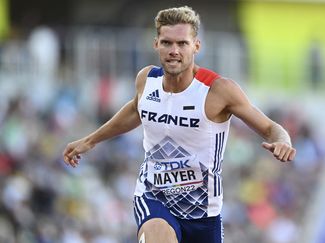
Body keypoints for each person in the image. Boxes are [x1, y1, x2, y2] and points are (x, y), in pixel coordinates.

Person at [63, 6, 296, 243]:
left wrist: (283, 140)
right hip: (153, 196)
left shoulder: (218, 91)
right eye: (167, 43)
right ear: (156, 44)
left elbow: (269, 128)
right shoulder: (147, 79)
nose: (174, 51)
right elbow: (136, 110)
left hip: (203, 211)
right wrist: (90, 141)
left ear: (196, 46)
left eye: (182, 44)